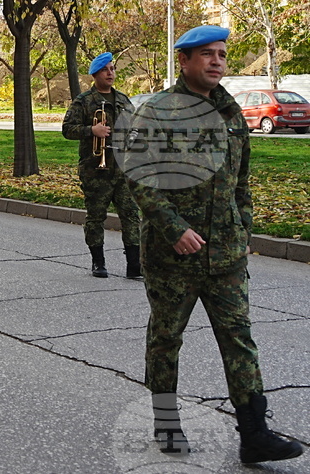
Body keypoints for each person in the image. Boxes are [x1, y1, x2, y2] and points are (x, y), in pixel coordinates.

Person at [126, 25, 303, 464]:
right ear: (184, 61)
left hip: (224, 252)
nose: (217, 61)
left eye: (222, 54)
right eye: (206, 54)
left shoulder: (230, 112)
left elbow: (240, 182)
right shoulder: (157, 111)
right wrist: (173, 229)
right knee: (166, 339)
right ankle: (166, 423)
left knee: (238, 338)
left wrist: (243, 229)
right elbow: (138, 177)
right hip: (173, 255)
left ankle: (255, 434)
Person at [61, 52, 141, 279]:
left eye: (113, 69)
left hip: (122, 169)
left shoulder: (124, 100)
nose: (110, 73)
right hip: (95, 169)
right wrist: (91, 130)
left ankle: (134, 265)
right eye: (106, 69)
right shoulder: (84, 101)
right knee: (96, 217)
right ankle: (98, 262)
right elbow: (67, 129)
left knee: (131, 215)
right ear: (95, 74)